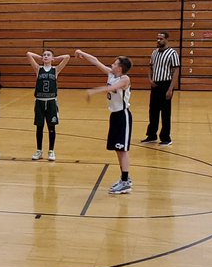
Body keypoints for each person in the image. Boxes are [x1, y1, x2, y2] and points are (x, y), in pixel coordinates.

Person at [75, 49, 133, 194]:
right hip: (114, 115)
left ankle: (125, 182)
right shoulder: (111, 74)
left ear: (120, 68)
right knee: (118, 149)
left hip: (123, 115)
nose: (112, 65)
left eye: (115, 63)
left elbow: (112, 88)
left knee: (123, 150)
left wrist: (93, 91)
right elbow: (96, 61)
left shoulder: (125, 79)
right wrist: (82, 52)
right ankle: (124, 178)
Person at [26, 48, 71, 160]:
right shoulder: (38, 69)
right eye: (44, 55)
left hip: (51, 102)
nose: (45, 56)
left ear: (52, 58)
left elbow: (67, 57)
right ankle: (39, 151)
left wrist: (55, 58)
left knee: (51, 127)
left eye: (48, 55)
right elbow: (28, 54)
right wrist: (40, 58)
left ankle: (51, 151)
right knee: (39, 127)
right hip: (39, 102)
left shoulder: (55, 70)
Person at [141, 30, 180, 145]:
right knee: (153, 110)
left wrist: (170, 89)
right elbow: (150, 67)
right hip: (155, 85)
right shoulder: (154, 52)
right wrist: (150, 79)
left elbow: (176, 71)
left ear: (166, 39)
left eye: (161, 38)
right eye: (157, 38)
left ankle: (166, 138)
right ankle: (152, 135)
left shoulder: (172, 53)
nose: (158, 40)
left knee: (165, 112)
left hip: (166, 84)